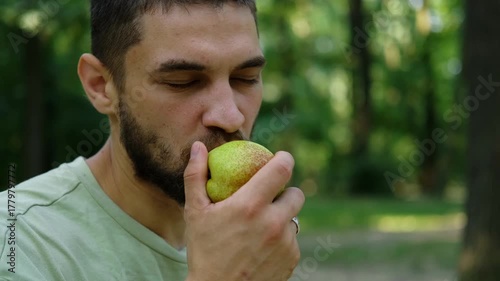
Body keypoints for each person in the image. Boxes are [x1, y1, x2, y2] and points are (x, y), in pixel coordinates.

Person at [0, 0, 305, 280]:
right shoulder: (19, 243)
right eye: (182, 82)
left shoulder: (260, 243)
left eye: (246, 78)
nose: (230, 117)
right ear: (100, 86)